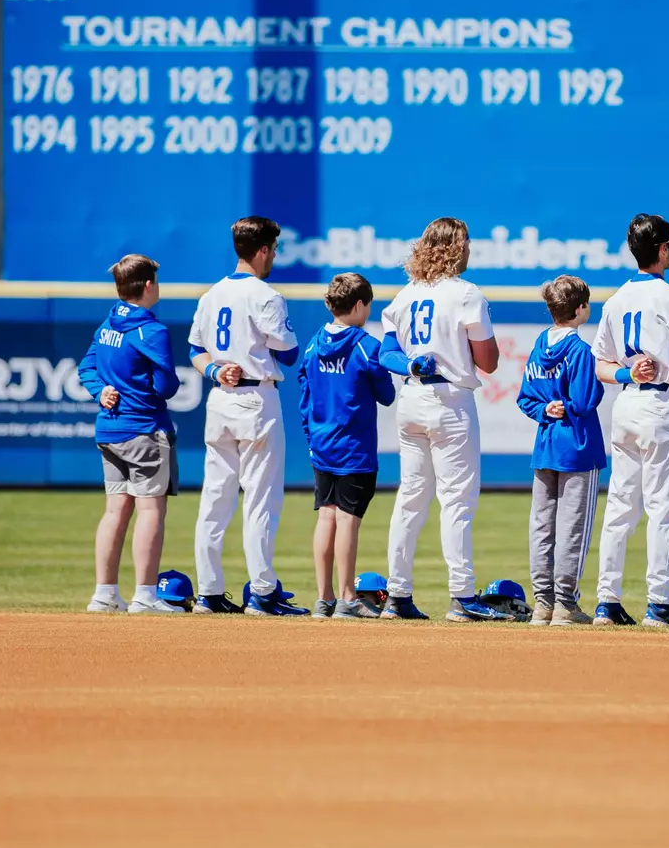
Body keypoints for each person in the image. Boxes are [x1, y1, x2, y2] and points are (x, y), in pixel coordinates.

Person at [591, 215, 669, 628]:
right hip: (662, 407)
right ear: (662, 249)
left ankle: (607, 602)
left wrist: (630, 373)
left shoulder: (616, 299)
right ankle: (659, 604)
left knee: (621, 507)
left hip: (626, 404)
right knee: (664, 507)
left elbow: (601, 365)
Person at [376, 217, 505, 621]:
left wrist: (413, 362)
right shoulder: (466, 293)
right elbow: (489, 362)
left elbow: (386, 355)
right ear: (453, 247)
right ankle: (463, 597)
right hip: (450, 401)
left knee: (410, 499)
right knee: (457, 502)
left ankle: (397, 595)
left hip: (412, 399)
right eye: (465, 242)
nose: (469, 250)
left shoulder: (405, 295)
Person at [188, 216, 306, 616]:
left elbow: (195, 350)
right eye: (272, 249)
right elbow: (289, 352)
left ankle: (208, 592)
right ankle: (261, 592)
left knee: (215, 499)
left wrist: (216, 370)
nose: (274, 256)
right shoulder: (266, 295)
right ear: (262, 251)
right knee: (261, 501)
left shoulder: (210, 295)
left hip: (220, 398)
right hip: (256, 400)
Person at [76, 254, 184, 614]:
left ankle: (104, 594)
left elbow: (86, 366)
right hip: (145, 430)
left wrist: (100, 390)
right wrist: (151, 384)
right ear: (149, 285)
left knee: (115, 511)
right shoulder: (153, 331)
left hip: (110, 429)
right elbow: (166, 385)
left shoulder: (107, 324)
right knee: (151, 509)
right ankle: (146, 595)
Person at [297, 272, 397, 619]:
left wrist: (312, 437)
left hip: (322, 445)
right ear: (358, 305)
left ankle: (324, 598)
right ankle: (348, 598)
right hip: (355, 448)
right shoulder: (366, 345)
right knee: (348, 522)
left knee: (326, 517)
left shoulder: (313, 343)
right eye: (368, 306)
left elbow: (305, 393)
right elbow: (387, 395)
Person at [516, 275, 605, 626]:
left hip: (546, 443)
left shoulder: (540, 343)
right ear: (579, 309)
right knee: (572, 527)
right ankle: (566, 604)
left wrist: (545, 409)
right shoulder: (581, 350)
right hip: (578, 447)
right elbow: (585, 400)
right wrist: (569, 402)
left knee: (542, 526)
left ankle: (543, 604)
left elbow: (525, 396)